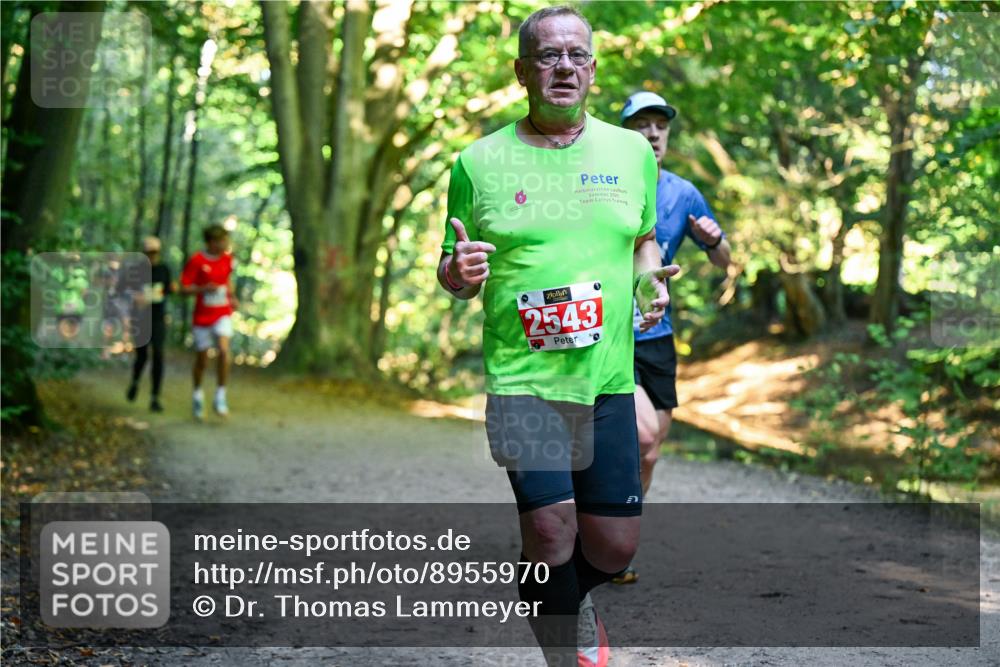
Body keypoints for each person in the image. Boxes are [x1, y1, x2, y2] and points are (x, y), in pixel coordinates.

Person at [438, 7, 678, 666]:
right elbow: (451, 269)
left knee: (612, 547)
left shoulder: (631, 153)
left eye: (576, 54)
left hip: (605, 379)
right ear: (522, 71)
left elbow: (643, 241)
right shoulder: (477, 162)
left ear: (593, 69)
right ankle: (563, 650)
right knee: (550, 532)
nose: (563, 66)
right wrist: (458, 274)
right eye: (547, 55)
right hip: (523, 382)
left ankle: (566, 587)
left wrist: (649, 282)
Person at [613, 91, 732, 585]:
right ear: (626, 132)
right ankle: (609, 540)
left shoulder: (684, 193)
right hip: (612, 330)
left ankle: (617, 533)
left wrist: (712, 238)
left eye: (660, 125)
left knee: (651, 448)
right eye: (642, 123)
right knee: (639, 434)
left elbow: (724, 260)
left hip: (658, 334)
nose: (653, 132)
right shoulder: (609, 185)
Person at [180, 224, 238, 420]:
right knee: (202, 359)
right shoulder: (197, 261)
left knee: (223, 350)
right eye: (221, 241)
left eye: (225, 240)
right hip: (202, 317)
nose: (225, 244)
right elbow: (184, 288)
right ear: (211, 242)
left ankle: (220, 395)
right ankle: (197, 394)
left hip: (222, 312)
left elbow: (227, 280)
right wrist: (203, 289)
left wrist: (233, 296)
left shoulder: (227, 259)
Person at [127, 236, 173, 412]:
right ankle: (135, 382)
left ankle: (155, 397)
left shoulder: (164, 269)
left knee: (159, 355)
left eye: (154, 253)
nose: (151, 256)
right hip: (140, 318)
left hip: (158, 318)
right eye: (148, 253)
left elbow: (169, 288)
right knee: (142, 356)